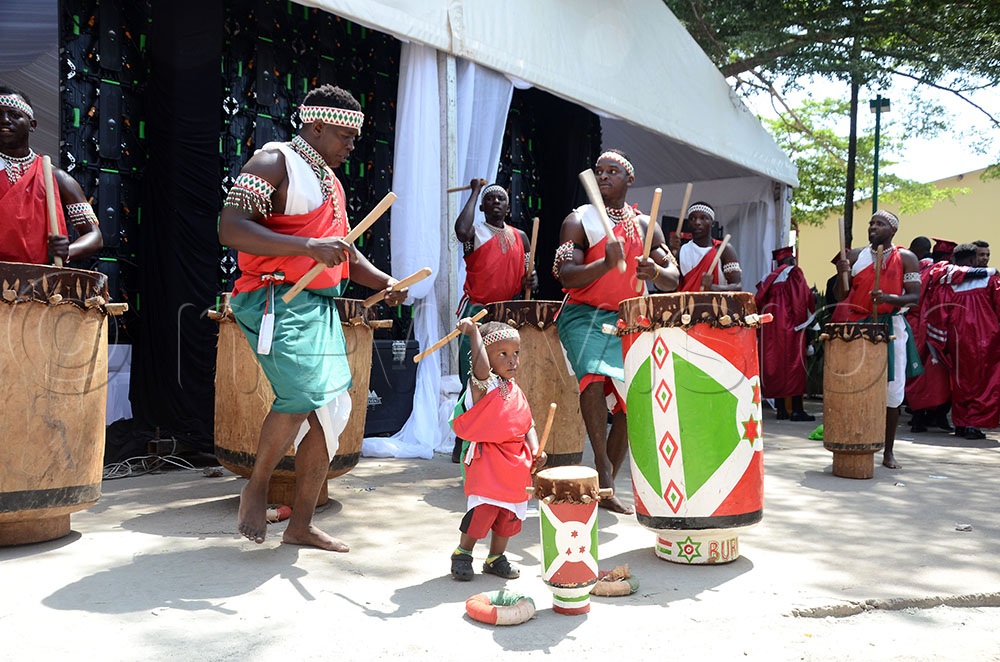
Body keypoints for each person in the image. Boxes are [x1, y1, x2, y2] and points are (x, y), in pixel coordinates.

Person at [218, 85, 407, 552]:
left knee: (331, 411)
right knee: (302, 393)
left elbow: (344, 250)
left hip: (317, 305)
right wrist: (306, 247)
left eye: (354, 139)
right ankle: (256, 488)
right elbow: (230, 226)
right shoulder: (273, 163)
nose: (349, 147)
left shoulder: (331, 181)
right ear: (317, 126)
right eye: (344, 136)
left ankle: (300, 524)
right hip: (272, 298)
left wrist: (385, 281)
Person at [552, 149, 679, 515]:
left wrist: (654, 272)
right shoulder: (578, 220)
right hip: (582, 317)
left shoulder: (646, 226)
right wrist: (603, 264)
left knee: (630, 400)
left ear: (629, 179)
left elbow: (674, 280)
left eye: (613, 171)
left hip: (628, 319)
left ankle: (608, 477)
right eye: (599, 171)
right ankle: (603, 471)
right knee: (592, 375)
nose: (604, 176)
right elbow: (566, 275)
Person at [449, 319, 545, 581]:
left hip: (516, 464)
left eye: (516, 353)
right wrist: (472, 334)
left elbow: (527, 423)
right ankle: (463, 553)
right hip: (487, 460)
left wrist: (535, 449)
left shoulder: (516, 390)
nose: (512, 360)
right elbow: (480, 369)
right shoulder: (482, 386)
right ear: (486, 357)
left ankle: (495, 558)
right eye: (503, 354)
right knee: (483, 510)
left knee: (509, 515)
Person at [451, 180, 536, 462]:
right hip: (478, 310)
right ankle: (463, 438)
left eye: (501, 199)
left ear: (509, 206)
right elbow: (460, 230)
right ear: (483, 206)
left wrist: (530, 280)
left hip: (507, 313)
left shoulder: (521, 236)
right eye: (490, 199)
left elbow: (526, 273)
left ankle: (500, 434)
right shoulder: (474, 232)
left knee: (505, 378)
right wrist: (476, 191)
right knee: (474, 375)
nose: (496, 202)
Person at [832, 210, 921, 469]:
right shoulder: (854, 256)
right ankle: (858, 443)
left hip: (891, 326)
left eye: (880, 224)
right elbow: (841, 294)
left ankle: (888, 451)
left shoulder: (907, 258)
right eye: (871, 223)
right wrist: (841, 273)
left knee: (893, 391)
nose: (873, 227)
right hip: (859, 327)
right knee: (858, 387)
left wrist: (889, 299)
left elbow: (914, 297)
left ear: (892, 230)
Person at [0, 85, 102, 264]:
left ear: (32, 125)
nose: (4, 120)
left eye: (14, 115)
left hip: (41, 284)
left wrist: (67, 250)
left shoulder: (57, 177)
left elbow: (94, 236)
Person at [924, 243, 1000, 440]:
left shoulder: (947, 281)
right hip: (986, 337)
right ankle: (973, 425)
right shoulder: (989, 279)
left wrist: (940, 341)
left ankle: (961, 423)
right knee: (984, 383)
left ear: (955, 259)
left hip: (958, 338)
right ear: (974, 260)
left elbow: (939, 313)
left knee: (960, 382)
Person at [754, 246, 816, 421]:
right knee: (794, 366)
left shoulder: (768, 278)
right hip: (789, 325)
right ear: (791, 260)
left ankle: (781, 410)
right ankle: (797, 410)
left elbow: (758, 303)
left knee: (776, 365)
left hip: (770, 327)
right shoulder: (794, 272)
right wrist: (802, 323)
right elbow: (801, 299)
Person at [904, 236, 952, 433]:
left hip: (915, 325)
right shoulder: (939, 271)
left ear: (916, 250)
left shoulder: (915, 271)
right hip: (937, 325)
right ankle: (938, 414)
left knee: (915, 372)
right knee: (938, 374)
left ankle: (918, 417)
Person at [675, 201, 742, 291]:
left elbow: (738, 286)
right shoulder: (681, 251)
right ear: (688, 223)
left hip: (715, 304)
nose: (697, 222)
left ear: (712, 223)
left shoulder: (724, 249)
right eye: (692, 219)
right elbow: (670, 286)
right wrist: (671, 252)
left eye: (703, 218)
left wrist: (713, 288)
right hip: (687, 304)